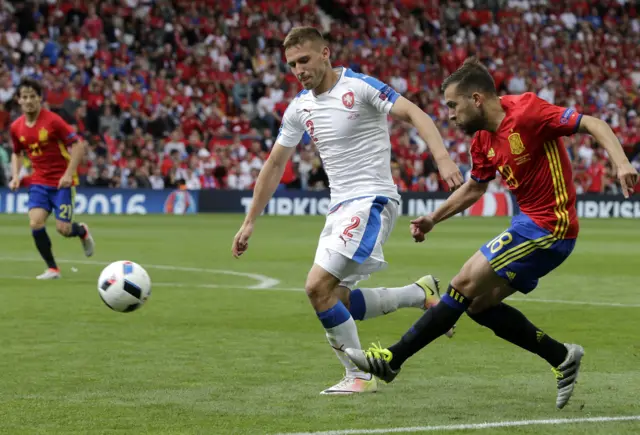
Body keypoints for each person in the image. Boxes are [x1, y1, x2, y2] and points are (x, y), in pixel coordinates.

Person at [345, 57, 639, 408]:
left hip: (551, 227)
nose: (450, 115)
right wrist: (433, 219)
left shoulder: (528, 112)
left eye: (453, 105)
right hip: (528, 225)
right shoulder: (482, 140)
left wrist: (622, 162)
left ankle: (393, 359)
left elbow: (591, 122)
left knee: (463, 283)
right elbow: (474, 188)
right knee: (479, 305)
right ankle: (562, 356)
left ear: (477, 99)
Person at [231, 26, 463, 395]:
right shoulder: (299, 108)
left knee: (316, 287)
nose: (299, 70)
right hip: (338, 208)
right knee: (336, 299)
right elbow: (274, 165)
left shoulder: (360, 87)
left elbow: (416, 114)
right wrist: (249, 221)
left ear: (325, 53)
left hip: (372, 200)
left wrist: (444, 159)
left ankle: (360, 375)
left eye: (304, 60)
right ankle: (417, 294)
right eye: (292, 64)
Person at [9, 77, 95, 280]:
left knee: (63, 229)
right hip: (39, 181)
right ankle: (53, 269)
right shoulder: (16, 127)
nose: (28, 101)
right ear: (19, 100)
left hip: (61, 182)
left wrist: (68, 174)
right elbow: (17, 152)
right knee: (35, 222)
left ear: (39, 98)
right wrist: (15, 176)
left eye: (32, 96)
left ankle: (81, 231)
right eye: (24, 97)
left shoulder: (53, 121)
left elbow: (78, 145)